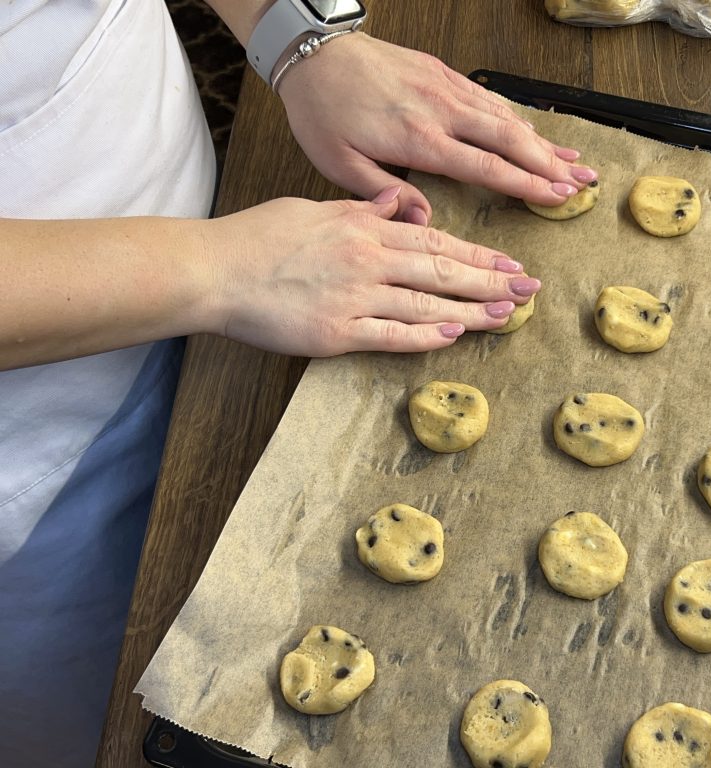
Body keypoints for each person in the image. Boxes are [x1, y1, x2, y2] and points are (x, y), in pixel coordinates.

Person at [0, 1, 598, 764]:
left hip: (209, 215)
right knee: (103, 718)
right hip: (35, 445)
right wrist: (220, 270)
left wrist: (291, 33)